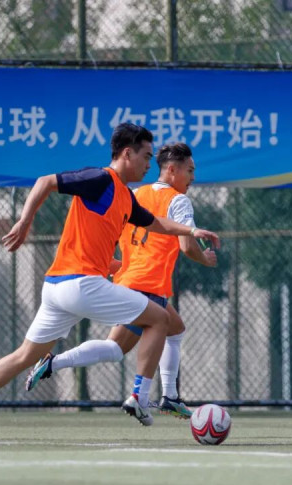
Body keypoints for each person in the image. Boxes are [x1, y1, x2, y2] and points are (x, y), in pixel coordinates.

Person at [0, 123, 220, 442]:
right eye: (146, 156)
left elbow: (156, 223)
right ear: (127, 153)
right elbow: (46, 181)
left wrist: (191, 230)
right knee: (160, 319)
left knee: (25, 355)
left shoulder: (126, 196)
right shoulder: (101, 179)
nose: (149, 164)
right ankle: (141, 397)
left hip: (57, 288)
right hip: (81, 284)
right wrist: (24, 222)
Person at [24, 143, 216, 420]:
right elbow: (187, 246)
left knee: (171, 330)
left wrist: (115, 266)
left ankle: (169, 396)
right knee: (122, 345)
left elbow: (116, 234)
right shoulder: (178, 200)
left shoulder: (134, 194)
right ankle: (144, 395)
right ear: (172, 170)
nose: (193, 177)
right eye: (190, 170)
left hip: (128, 278)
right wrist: (205, 259)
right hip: (150, 282)